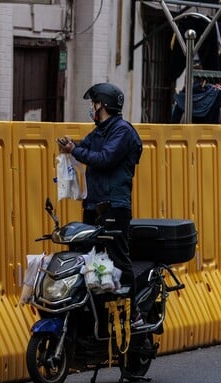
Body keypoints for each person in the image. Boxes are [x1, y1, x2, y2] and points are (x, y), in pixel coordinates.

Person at [57, 82, 144, 328]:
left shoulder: (122, 132)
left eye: (94, 104)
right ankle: (93, 314)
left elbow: (104, 158)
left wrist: (76, 151)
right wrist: (69, 146)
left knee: (117, 256)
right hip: (93, 205)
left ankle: (134, 311)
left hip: (115, 205)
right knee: (87, 257)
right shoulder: (100, 131)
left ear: (102, 105)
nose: (92, 108)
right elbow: (84, 147)